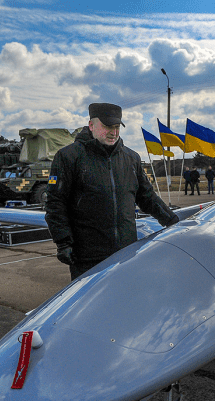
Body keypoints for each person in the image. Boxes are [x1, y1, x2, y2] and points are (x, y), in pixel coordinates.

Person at [45, 103, 179, 278]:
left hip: (126, 252)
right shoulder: (68, 157)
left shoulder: (131, 158)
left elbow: (146, 196)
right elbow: (55, 203)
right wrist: (63, 242)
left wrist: (173, 221)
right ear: (91, 125)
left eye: (117, 127)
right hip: (87, 256)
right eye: (108, 127)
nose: (113, 133)